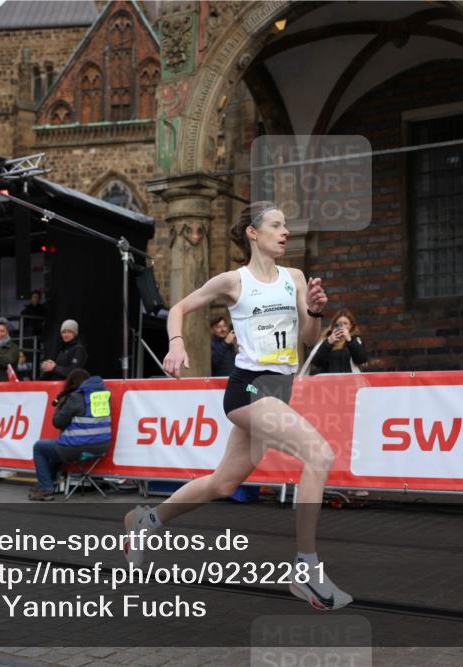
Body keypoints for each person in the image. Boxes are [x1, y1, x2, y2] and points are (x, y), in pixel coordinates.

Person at [122, 201, 352, 611]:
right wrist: (176, 344)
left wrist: (315, 308)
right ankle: (306, 570)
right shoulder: (233, 281)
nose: (284, 231)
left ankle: (145, 522)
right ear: (253, 232)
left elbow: (308, 336)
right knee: (319, 454)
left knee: (223, 483)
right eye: (276, 225)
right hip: (249, 389)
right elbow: (177, 309)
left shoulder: (294, 277)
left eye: (286, 225)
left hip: (279, 388)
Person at [29, 369, 111, 501]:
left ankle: (46, 488)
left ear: (72, 384)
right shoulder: (103, 397)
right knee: (57, 447)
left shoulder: (75, 398)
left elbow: (58, 422)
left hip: (78, 448)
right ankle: (48, 483)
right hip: (101, 448)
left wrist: (60, 405)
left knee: (39, 447)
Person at [300, 309, 368, 376]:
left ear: (351, 326)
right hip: (328, 383)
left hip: (350, 382)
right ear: (334, 326)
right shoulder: (326, 340)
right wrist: (329, 343)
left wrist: (350, 340)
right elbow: (317, 363)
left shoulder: (355, 340)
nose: (342, 326)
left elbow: (362, 359)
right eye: (339, 324)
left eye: (345, 323)